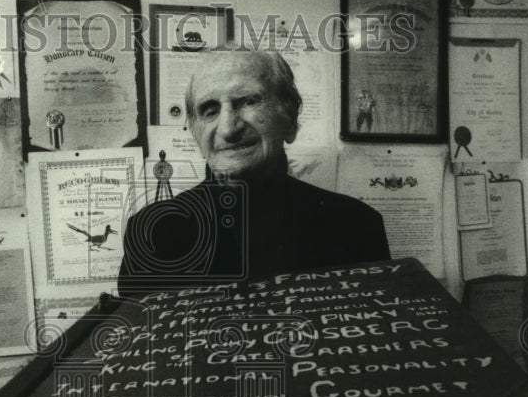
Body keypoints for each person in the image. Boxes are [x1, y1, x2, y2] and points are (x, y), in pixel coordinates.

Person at [118, 49, 390, 297]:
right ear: (195, 133)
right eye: (210, 110)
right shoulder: (153, 233)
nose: (228, 128)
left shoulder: (357, 226)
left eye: (248, 101)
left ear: (290, 118)